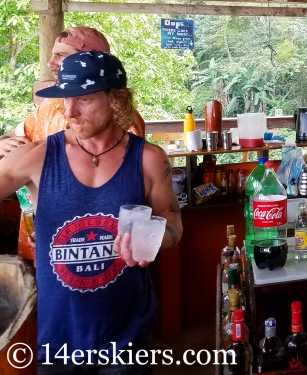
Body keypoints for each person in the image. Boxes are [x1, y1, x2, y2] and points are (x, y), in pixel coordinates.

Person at [0, 51, 182, 373]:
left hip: (126, 335)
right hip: (55, 338)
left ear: (117, 98)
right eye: (66, 98)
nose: (70, 111)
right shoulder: (38, 156)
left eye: (83, 98)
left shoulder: (149, 159)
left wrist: (152, 240)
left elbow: (172, 222)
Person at [0, 27, 145, 261]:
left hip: (98, 252)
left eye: (61, 56)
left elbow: (127, 192)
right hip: (36, 247)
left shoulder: (122, 119)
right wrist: (3, 145)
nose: (51, 62)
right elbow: (14, 135)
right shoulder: (49, 106)